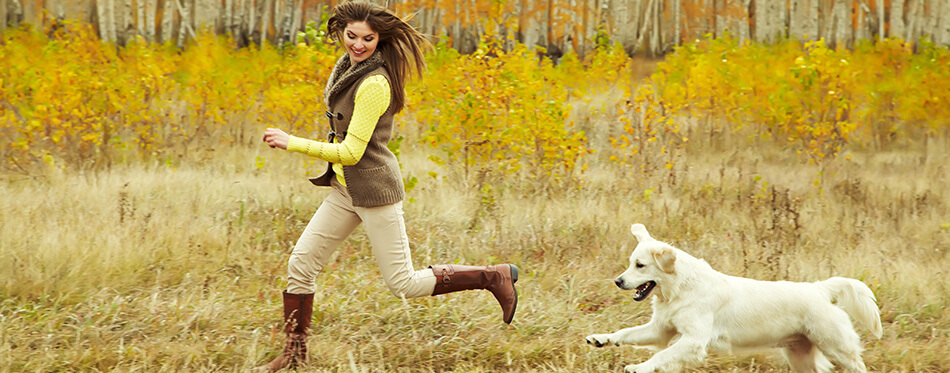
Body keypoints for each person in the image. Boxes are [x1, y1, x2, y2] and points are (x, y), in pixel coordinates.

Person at [257, 2, 519, 371]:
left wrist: (292, 141)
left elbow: (350, 151)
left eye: (367, 38)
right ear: (341, 32)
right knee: (301, 263)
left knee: (403, 283)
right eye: (351, 36)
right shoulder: (347, 67)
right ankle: (295, 355)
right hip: (346, 191)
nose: (358, 44)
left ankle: (493, 276)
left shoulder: (375, 82)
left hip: (375, 192)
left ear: (379, 39)